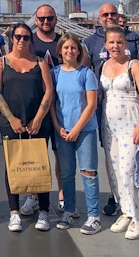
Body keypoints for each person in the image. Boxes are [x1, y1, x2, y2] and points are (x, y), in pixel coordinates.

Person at [82, 2, 139, 222]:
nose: (109, 17)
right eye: (104, 14)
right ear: (99, 18)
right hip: (104, 111)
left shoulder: (134, 39)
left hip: (132, 111)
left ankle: (137, 207)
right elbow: (85, 72)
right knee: (113, 160)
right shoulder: (89, 43)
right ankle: (119, 202)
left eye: (113, 13)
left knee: (131, 164)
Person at [0, 23, 53, 232]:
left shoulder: (40, 62)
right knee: (13, 166)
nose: (21, 40)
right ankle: (14, 212)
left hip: (37, 122)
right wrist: (11, 119)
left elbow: (48, 92)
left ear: (31, 40)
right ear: (12, 38)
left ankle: (43, 209)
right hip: (11, 123)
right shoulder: (0, 63)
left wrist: (37, 119)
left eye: (26, 37)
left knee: (39, 165)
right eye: (17, 36)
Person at [100, 26, 139, 240]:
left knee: (129, 172)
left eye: (119, 42)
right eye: (111, 42)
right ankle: (125, 212)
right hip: (109, 127)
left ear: (126, 44)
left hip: (131, 125)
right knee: (114, 172)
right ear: (106, 45)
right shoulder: (104, 66)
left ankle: (138, 219)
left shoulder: (135, 66)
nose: (115, 46)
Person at [50, 33, 101, 234]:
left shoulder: (86, 74)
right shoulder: (55, 73)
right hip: (62, 130)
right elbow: (52, 103)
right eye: (66, 48)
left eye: (73, 47)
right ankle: (68, 211)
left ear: (79, 51)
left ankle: (94, 216)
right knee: (67, 173)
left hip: (85, 130)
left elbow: (92, 104)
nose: (70, 51)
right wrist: (57, 126)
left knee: (89, 172)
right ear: (60, 51)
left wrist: (77, 129)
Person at [21, 4, 68, 217]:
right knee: (36, 154)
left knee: (61, 154)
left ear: (56, 19)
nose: (46, 22)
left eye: (50, 18)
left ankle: (61, 196)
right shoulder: (28, 41)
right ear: (36, 20)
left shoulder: (64, 42)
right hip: (35, 106)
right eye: (41, 19)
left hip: (61, 107)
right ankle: (33, 196)